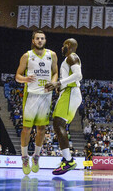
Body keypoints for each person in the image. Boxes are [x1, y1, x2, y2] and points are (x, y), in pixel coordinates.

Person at [14, 30, 58, 175]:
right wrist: (25, 79)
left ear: (45, 40)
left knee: (41, 129)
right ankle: (25, 157)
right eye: (38, 38)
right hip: (31, 95)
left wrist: (53, 82)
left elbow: (55, 72)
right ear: (33, 40)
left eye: (42, 38)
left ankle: (36, 156)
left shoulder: (52, 55)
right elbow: (17, 76)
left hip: (46, 96)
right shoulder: (27, 56)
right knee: (26, 129)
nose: (40, 40)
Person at [44, 38, 83, 175]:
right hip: (67, 92)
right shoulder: (68, 60)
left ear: (69, 45)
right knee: (58, 124)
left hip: (70, 92)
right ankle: (66, 158)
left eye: (63, 45)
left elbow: (78, 75)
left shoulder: (72, 57)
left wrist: (59, 83)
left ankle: (69, 160)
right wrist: (58, 87)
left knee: (58, 123)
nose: (62, 48)